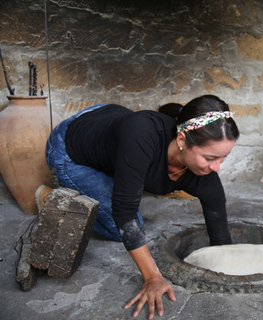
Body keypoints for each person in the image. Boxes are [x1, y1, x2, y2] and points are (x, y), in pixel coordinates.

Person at [40, 94, 239, 319]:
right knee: (122, 228)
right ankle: (55, 197)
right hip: (69, 148)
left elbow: (216, 206)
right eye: (210, 158)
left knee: (126, 190)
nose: (217, 168)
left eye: (223, 158)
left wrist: (225, 258)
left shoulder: (201, 169)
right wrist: (153, 277)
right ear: (182, 140)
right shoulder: (142, 134)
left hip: (108, 122)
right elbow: (124, 211)